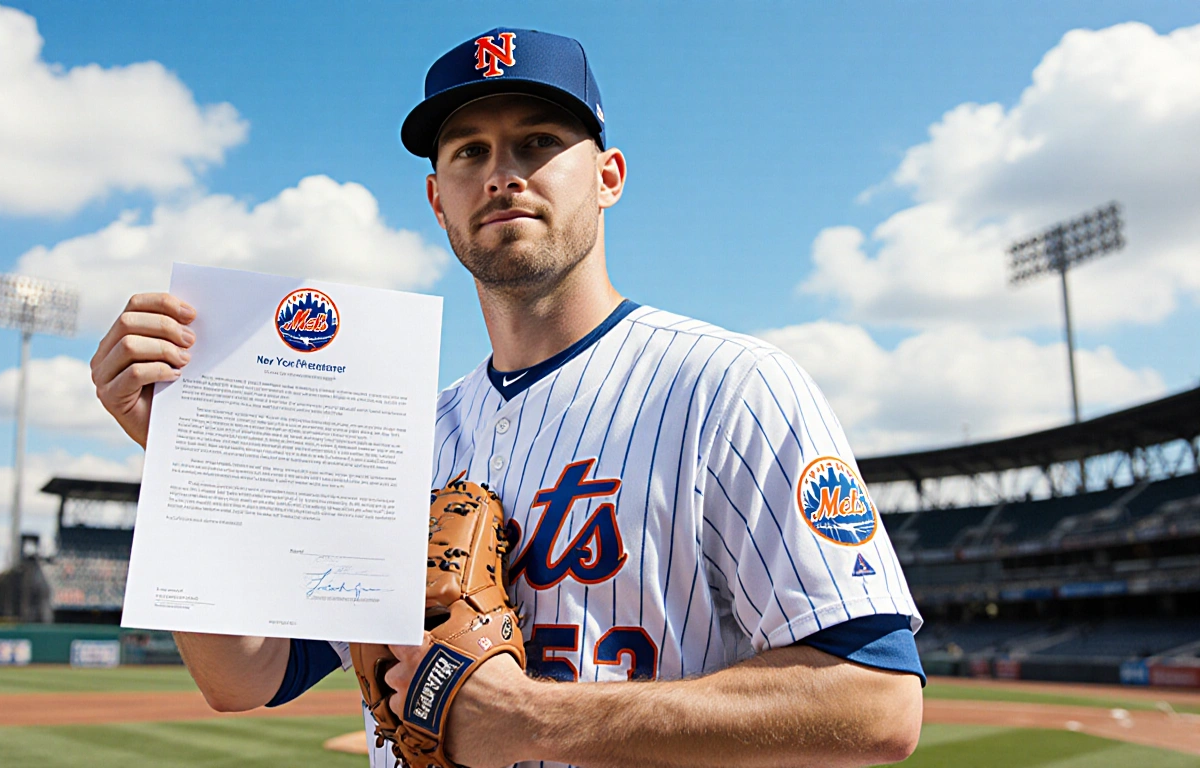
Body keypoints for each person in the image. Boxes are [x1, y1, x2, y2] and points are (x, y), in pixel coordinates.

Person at [92, 27, 924, 768]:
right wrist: (183, 457)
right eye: (469, 152)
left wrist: (534, 721)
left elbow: (876, 703)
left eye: (537, 141)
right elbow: (245, 676)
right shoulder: (396, 436)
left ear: (608, 176)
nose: (503, 174)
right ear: (436, 198)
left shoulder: (731, 388)